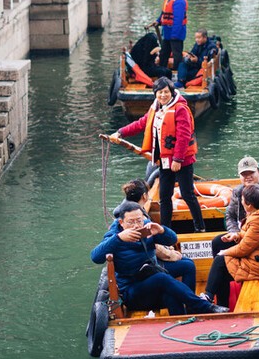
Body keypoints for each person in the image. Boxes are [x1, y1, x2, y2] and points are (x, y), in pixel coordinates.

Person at [91, 202, 226, 315]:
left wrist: (161, 230)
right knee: (162, 280)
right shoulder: (115, 236)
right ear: (121, 222)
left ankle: (186, 315)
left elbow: (172, 239)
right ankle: (203, 306)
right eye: (131, 222)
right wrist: (119, 239)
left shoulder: (146, 226)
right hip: (132, 289)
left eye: (139, 220)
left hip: (151, 272)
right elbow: (95, 257)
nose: (136, 225)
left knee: (186, 267)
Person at [111, 77, 205, 231]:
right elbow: (141, 124)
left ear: (172, 92)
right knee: (164, 197)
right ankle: (165, 229)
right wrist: (120, 132)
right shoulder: (155, 108)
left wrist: (178, 159)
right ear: (155, 94)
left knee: (188, 194)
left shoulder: (180, 109)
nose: (163, 95)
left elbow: (183, 136)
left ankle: (200, 227)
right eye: (160, 92)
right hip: (164, 160)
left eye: (166, 92)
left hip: (182, 160)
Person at [202, 183, 259, 306]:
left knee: (220, 261)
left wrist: (224, 253)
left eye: (243, 200)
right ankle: (219, 301)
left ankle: (209, 297)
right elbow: (252, 236)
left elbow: (243, 249)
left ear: (249, 205)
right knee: (218, 242)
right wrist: (237, 235)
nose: (242, 202)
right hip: (256, 252)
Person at [117, 179, 196, 289]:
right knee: (188, 266)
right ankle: (189, 301)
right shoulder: (139, 217)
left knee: (186, 261)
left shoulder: (126, 212)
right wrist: (171, 255)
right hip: (145, 266)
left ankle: (186, 297)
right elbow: (150, 245)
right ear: (144, 196)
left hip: (143, 261)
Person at [156, 0, 187, 70]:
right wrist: (158, 21)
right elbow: (164, 12)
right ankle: (162, 71)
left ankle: (177, 73)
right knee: (164, 53)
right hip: (167, 32)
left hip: (175, 33)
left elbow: (178, 20)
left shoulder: (180, 1)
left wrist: (174, 35)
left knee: (176, 54)